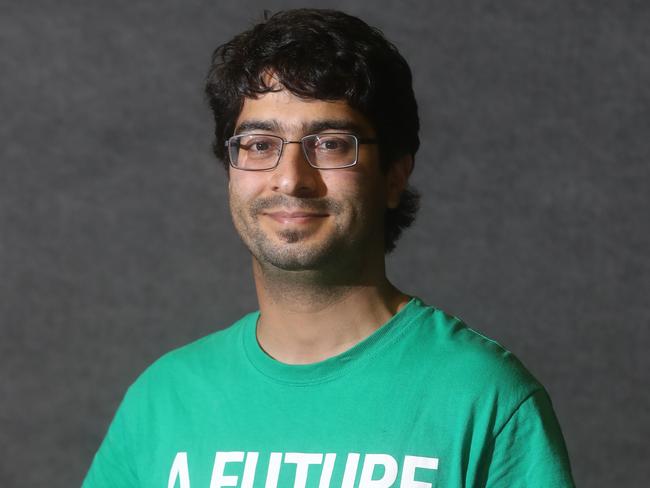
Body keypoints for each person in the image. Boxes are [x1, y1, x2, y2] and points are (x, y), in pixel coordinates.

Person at [83, 9, 575, 488]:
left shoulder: (484, 398)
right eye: (259, 144)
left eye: (331, 143)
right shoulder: (164, 400)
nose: (291, 179)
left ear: (394, 176)